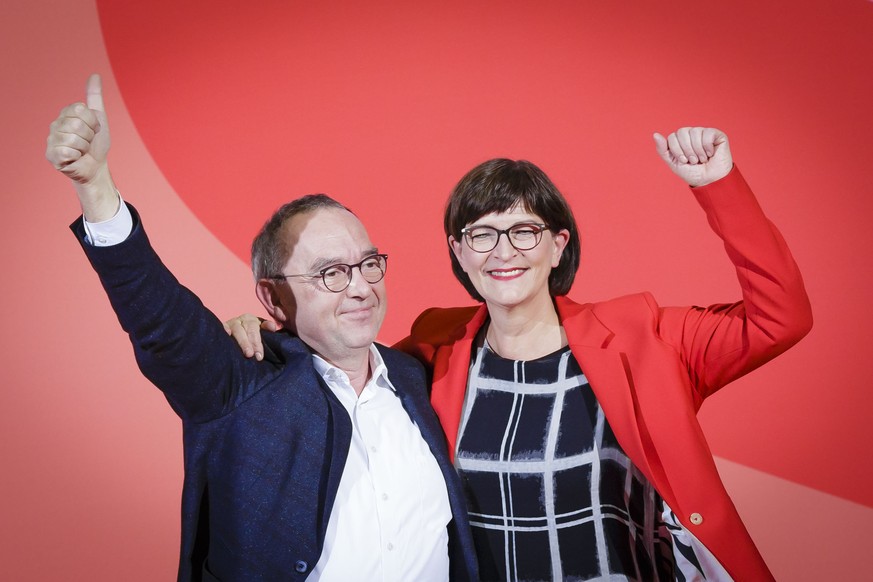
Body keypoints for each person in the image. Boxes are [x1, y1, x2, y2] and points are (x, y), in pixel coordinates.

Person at [229, 128, 812, 580]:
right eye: (481, 233)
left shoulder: (645, 338)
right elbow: (344, 360)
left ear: (558, 245)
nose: (502, 251)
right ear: (459, 251)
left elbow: (780, 317)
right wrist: (275, 335)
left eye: (524, 231)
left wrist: (718, 185)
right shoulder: (434, 350)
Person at [46, 74, 478, 582]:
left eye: (368, 263)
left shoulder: (418, 377)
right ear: (272, 297)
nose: (360, 287)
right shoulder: (240, 382)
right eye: (331, 273)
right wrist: (96, 187)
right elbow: (161, 321)